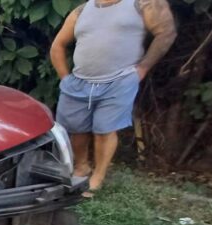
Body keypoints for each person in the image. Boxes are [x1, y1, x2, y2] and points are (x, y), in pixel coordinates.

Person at [50, 0, 175, 196]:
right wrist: (65, 78)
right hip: (79, 81)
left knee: (104, 130)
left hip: (119, 80)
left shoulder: (142, 3)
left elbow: (166, 32)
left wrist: (142, 68)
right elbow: (58, 45)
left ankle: (97, 178)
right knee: (75, 128)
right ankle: (81, 167)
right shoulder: (82, 10)